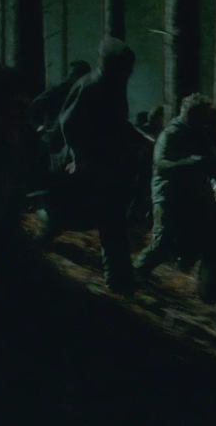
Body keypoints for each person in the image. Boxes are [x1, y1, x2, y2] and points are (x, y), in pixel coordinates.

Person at [41, 37, 144, 295]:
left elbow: (117, 123)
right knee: (68, 214)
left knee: (111, 219)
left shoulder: (112, 86)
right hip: (83, 166)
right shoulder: (93, 85)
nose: (130, 73)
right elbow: (68, 123)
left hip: (102, 167)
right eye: (127, 67)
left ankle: (120, 282)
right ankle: (41, 237)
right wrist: (79, 158)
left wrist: (143, 140)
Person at [133, 93, 216, 302]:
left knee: (213, 246)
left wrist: (214, 182)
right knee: (162, 243)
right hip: (169, 196)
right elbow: (162, 165)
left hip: (194, 199)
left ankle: (207, 291)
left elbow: (210, 164)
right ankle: (134, 277)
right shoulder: (171, 134)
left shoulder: (200, 135)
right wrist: (191, 163)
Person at [30, 60, 91, 142]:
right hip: (55, 134)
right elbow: (36, 105)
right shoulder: (60, 90)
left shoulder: (86, 92)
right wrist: (39, 125)